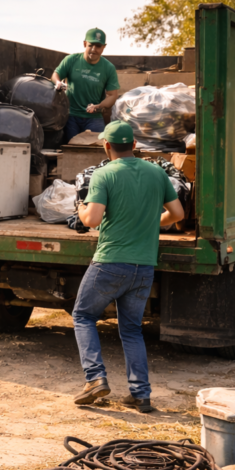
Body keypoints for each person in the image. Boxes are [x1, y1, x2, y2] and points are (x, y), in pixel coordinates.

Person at [71, 121, 185, 412]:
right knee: (132, 330)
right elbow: (177, 213)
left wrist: (82, 208)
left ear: (107, 146)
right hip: (143, 266)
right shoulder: (157, 172)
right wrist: (151, 223)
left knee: (83, 316)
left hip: (110, 263)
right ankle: (140, 394)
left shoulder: (104, 174)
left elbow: (92, 220)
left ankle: (95, 378)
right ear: (134, 145)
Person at [52, 28, 121, 143]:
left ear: (104, 47)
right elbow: (56, 74)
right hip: (71, 115)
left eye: (98, 46)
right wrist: (58, 82)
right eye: (91, 45)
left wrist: (98, 106)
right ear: (85, 44)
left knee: (98, 147)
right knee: (70, 148)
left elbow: (112, 95)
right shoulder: (71, 60)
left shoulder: (108, 68)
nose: (93, 50)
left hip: (94, 117)